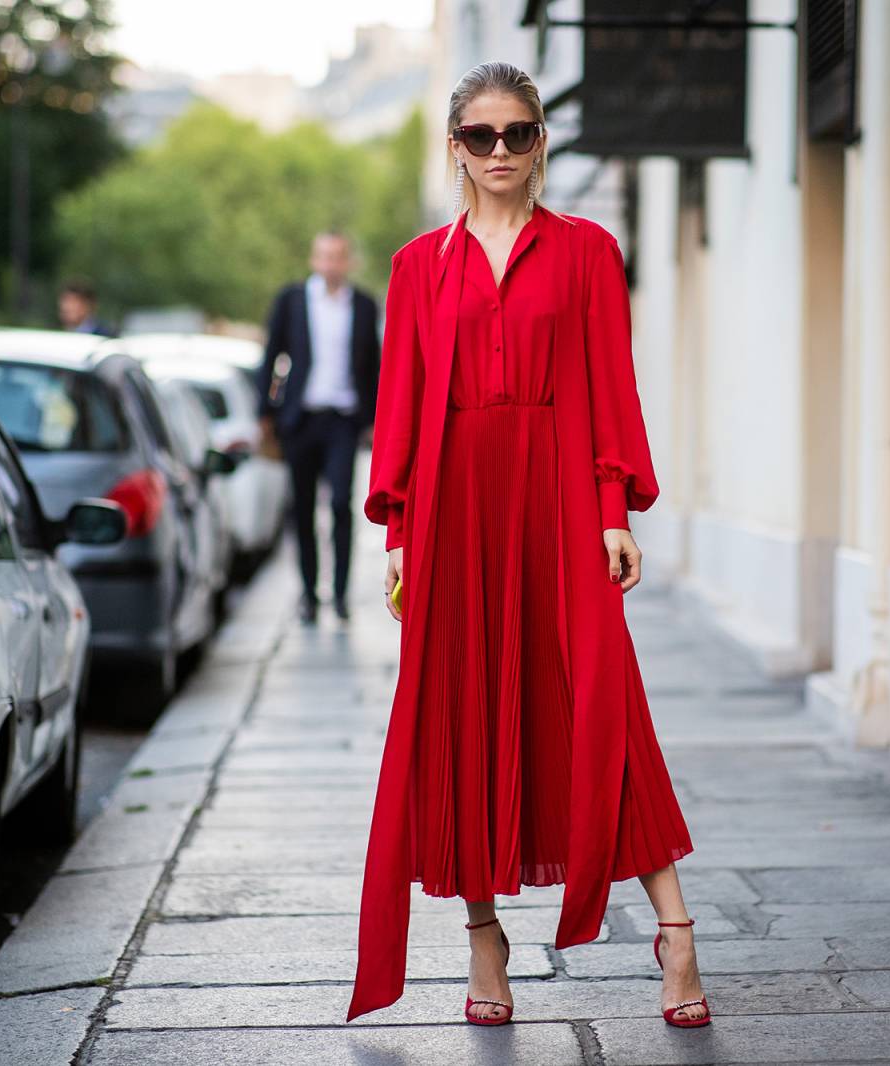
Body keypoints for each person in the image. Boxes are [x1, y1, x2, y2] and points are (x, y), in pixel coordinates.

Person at [349, 62, 710, 1030]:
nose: (499, 151)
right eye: (480, 136)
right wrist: (400, 529)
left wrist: (610, 507)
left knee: (604, 706)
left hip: (557, 494)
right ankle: (484, 939)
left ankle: (674, 934)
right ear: (455, 147)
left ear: (541, 139)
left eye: (517, 133)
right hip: (458, 502)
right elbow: (402, 401)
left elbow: (607, 384)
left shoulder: (588, 250)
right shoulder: (418, 264)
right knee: (465, 711)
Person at [256, 232, 381, 624]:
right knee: (303, 510)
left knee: (342, 504)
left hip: (344, 420)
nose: (331, 264)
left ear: (348, 262)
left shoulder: (363, 305)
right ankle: (310, 595)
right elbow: (270, 356)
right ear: (314, 260)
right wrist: (267, 413)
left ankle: (340, 595)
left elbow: (375, 365)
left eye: (339, 257)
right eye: (325, 256)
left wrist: (377, 418)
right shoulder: (291, 301)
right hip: (301, 419)